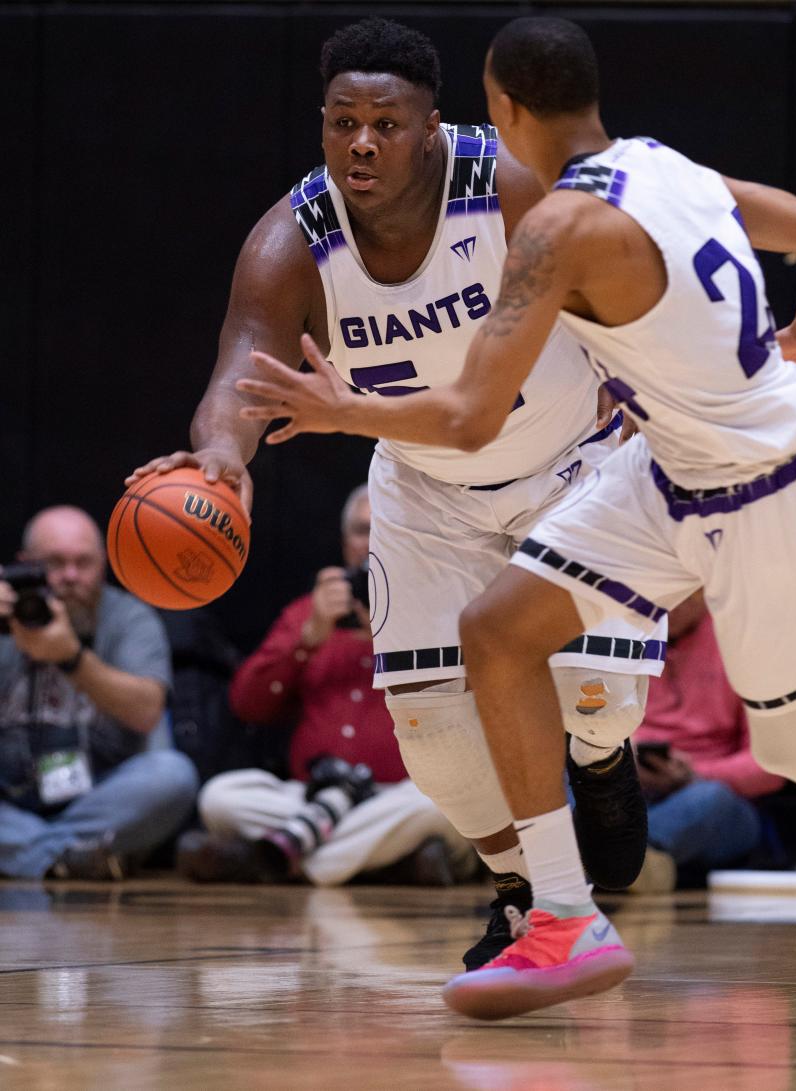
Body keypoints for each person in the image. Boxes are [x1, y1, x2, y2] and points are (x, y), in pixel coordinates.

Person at [239, 16, 796, 1019]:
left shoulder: (555, 228)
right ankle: (560, 913)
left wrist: (336, 409)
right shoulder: (668, 168)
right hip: (670, 471)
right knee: (496, 630)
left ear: (501, 108)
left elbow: (470, 413)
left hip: (772, 492)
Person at [127, 18, 667, 965]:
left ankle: (601, 758)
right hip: (426, 483)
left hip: (571, 462)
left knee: (595, 697)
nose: (362, 142)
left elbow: (625, 285)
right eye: (343, 122)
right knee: (433, 741)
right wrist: (220, 463)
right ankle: (521, 894)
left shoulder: (506, 186)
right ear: (324, 126)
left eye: (385, 121)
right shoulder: (290, 239)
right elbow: (238, 383)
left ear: (431, 127)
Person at [177, 485, 477, 887]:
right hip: (312, 797)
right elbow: (246, 704)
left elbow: (468, 707)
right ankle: (386, 864)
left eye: (385, 527)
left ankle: (278, 859)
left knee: (448, 810)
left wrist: (393, 636)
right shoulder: (307, 611)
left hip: (398, 797)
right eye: (361, 530)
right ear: (344, 542)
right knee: (219, 797)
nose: (372, 541)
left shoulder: (440, 610)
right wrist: (308, 637)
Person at [0, 506, 198, 880]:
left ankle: (31, 855)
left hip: (99, 797)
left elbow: (146, 711)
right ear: (25, 565)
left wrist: (72, 659)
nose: (71, 576)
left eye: (84, 563)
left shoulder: (129, 618)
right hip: (8, 801)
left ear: (104, 565)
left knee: (173, 775)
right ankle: (68, 858)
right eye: (54, 563)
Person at [632, 590, 785, 881]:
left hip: (711, 796)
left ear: (707, 589)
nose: (671, 605)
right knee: (570, 772)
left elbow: (772, 766)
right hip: (627, 787)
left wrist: (692, 774)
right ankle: (629, 863)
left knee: (710, 799)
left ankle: (626, 859)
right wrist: (621, 763)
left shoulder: (745, 644)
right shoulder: (620, 634)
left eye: (683, 594)